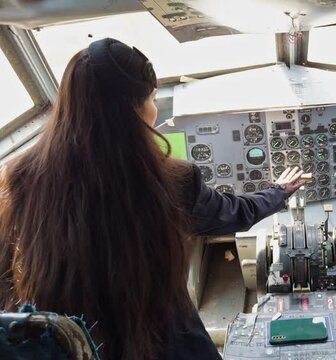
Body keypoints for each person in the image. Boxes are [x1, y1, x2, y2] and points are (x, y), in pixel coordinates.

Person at [0, 38, 303, 360]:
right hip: (157, 330)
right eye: (153, 98)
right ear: (135, 108)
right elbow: (233, 213)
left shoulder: (17, 174)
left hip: (59, 339)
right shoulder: (171, 179)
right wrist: (278, 192)